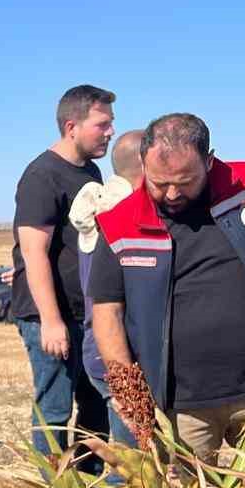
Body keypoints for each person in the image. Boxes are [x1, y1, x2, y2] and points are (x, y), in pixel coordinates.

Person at [90, 114, 245, 463]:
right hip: (181, 404)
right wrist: (127, 390)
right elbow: (107, 310)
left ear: (210, 161)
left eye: (186, 181)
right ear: (143, 165)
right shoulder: (119, 224)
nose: (173, 194)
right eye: (160, 183)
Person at [10, 85, 115, 462]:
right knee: (54, 410)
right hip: (49, 317)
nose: (110, 132)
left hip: (83, 312)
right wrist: (51, 321)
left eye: (111, 124)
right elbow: (33, 250)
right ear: (72, 126)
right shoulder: (43, 175)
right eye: (102, 124)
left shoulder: (90, 170)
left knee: (94, 406)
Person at [71, 129, 143, 447]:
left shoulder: (100, 209)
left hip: (100, 353)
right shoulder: (118, 215)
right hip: (115, 355)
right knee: (133, 463)